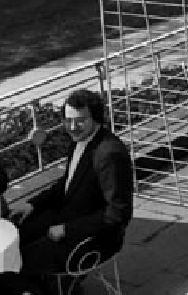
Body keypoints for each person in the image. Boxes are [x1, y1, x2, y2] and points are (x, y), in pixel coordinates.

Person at [8, 90, 133, 283]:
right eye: (68, 120)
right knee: (16, 239)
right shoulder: (81, 140)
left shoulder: (110, 155)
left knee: (20, 260)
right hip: (68, 217)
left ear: (96, 118)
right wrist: (32, 205)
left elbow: (118, 214)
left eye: (80, 120)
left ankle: (53, 288)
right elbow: (67, 185)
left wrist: (67, 229)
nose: (72, 127)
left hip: (93, 239)